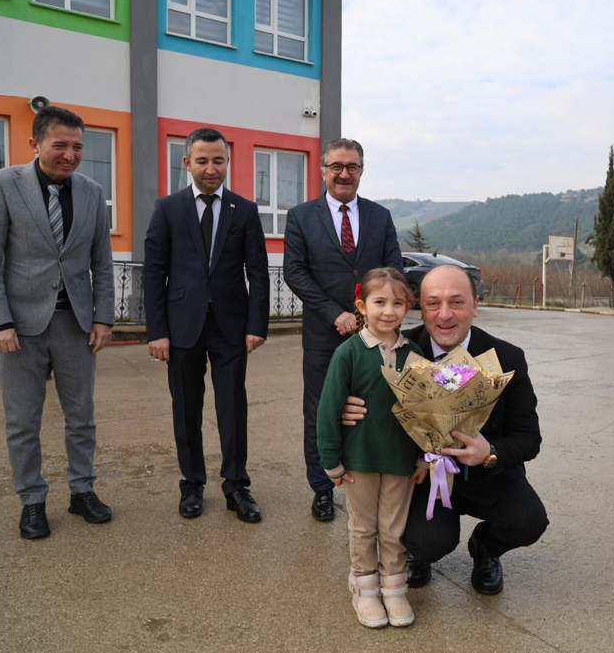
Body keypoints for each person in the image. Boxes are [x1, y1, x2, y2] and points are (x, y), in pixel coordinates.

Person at [342, 264, 548, 595]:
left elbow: (529, 438)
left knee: (529, 521)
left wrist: (490, 452)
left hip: (488, 477)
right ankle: (418, 553)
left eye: (457, 302)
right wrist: (346, 408)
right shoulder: (397, 350)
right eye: (433, 303)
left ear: (476, 305)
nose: (445, 314)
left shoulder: (507, 357)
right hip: (422, 480)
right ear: (419, 308)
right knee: (429, 542)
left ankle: (486, 547)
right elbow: (353, 385)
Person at [0, 105, 115, 539]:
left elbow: (102, 262)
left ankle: (81, 490)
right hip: (20, 328)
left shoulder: (92, 191)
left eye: (78, 146)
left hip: (76, 324)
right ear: (35, 143)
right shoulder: (2, 184)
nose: (70, 155)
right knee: (23, 421)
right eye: (60, 145)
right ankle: (32, 500)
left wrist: (104, 318)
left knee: (82, 417)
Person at [143, 128, 269, 523]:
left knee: (232, 407)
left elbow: (258, 273)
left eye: (218, 160)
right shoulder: (168, 208)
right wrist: (157, 331)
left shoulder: (244, 210)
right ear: (187, 163)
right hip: (181, 328)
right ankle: (192, 484)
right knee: (186, 408)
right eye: (202, 161)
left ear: (227, 162)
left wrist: (257, 325)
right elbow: (154, 273)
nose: (211, 168)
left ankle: (236, 485)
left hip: (231, 327)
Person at [283, 138, 403, 521]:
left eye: (352, 167)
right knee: (321, 411)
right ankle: (322, 489)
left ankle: (370, 481)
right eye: (336, 166)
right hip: (323, 335)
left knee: (373, 409)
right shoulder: (301, 216)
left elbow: (393, 269)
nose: (344, 173)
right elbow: (295, 272)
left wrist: (374, 314)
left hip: (374, 336)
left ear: (361, 171)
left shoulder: (380, 216)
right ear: (323, 171)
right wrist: (335, 313)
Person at [316, 268, 427, 628]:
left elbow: (426, 412)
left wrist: (423, 457)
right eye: (379, 302)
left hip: (401, 461)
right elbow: (328, 410)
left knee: (393, 529)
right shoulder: (347, 353)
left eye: (398, 303)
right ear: (361, 306)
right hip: (359, 462)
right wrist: (331, 462)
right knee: (363, 528)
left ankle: (394, 588)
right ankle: (364, 588)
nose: (389, 311)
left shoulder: (415, 354)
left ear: (408, 307)